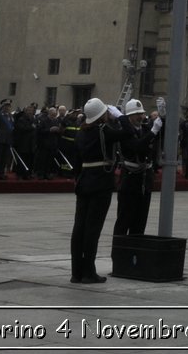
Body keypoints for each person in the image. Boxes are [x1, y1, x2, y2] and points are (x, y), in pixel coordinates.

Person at [70, 97, 118, 283]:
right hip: (100, 183)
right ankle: (89, 272)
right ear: (101, 115)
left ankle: (76, 272)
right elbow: (126, 133)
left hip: (83, 181)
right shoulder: (104, 131)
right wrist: (120, 116)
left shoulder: (81, 133)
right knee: (92, 229)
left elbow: (76, 163)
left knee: (79, 228)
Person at [113, 99, 160, 237]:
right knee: (124, 220)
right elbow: (137, 146)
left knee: (140, 221)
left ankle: (135, 255)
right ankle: (119, 254)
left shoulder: (145, 129)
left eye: (142, 113)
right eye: (136, 114)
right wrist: (153, 132)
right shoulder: (125, 132)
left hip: (145, 180)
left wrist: (163, 116)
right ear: (129, 117)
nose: (141, 116)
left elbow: (164, 131)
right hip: (130, 179)